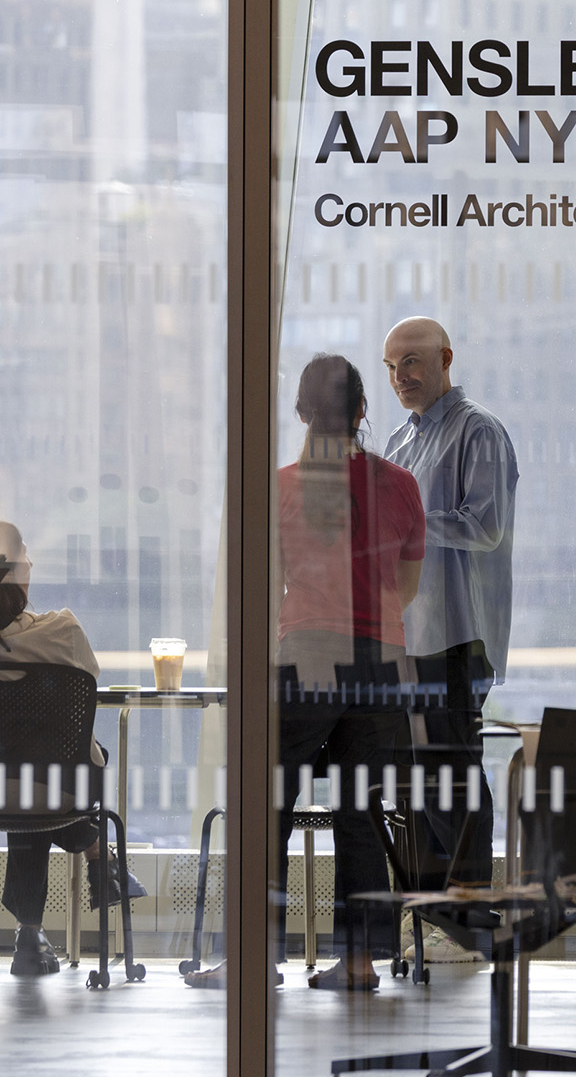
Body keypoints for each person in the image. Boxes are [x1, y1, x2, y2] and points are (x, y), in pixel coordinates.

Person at [185, 353, 425, 992]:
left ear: (300, 413)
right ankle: (359, 962)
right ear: (364, 411)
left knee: (267, 806)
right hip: (381, 664)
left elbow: (263, 591)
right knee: (362, 810)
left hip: (306, 658)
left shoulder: (279, 487)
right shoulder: (401, 485)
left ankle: (254, 959)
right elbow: (406, 587)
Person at [0, 520, 147, 976]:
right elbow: (85, 714)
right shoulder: (62, 632)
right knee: (42, 770)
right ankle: (98, 853)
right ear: (10, 573)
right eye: (25, 555)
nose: (31, 563)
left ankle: (30, 932)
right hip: (61, 793)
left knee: (21, 769)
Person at [381, 316, 519, 955]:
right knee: (416, 781)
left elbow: (484, 526)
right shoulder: (400, 440)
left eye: (411, 361)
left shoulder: (478, 431)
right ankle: (443, 923)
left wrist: (402, 521)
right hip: (404, 638)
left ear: (445, 358)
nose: (400, 376)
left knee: (452, 776)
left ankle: (472, 927)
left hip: (457, 637)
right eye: (390, 367)